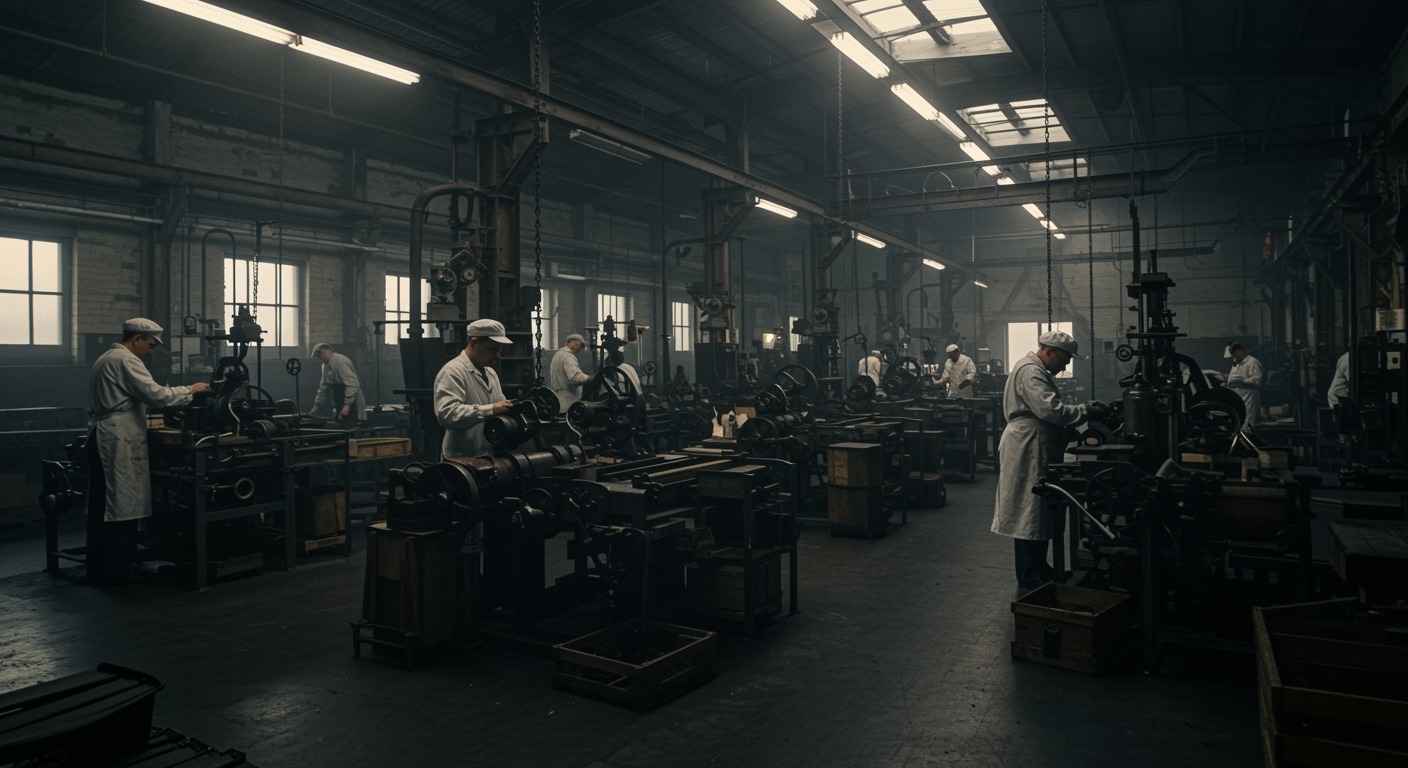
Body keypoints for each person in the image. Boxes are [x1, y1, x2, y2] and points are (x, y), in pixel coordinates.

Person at [87, 318, 211, 583]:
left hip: (106, 434)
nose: (151, 351)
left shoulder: (106, 358)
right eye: (151, 345)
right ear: (137, 339)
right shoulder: (126, 361)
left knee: (106, 503)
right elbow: (157, 395)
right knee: (120, 504)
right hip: (117, 437)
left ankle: (103, 564)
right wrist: (192, 389)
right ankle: (117, 569)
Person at [990, 330, 1105, 591]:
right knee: (1029, 508)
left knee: (1038, 510)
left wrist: (1066, 429)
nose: (1065, 366)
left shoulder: (1035, 369)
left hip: (1034, 443)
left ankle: (1040, 567)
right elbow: (1049, 410)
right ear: (1048, 351)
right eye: (1064, 360)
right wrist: (1085, 411)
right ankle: (1030, 574)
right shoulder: (1031, 371)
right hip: (1028, 445)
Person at [434, 318, 515, 459]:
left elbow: (499, 406)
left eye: (499, 350)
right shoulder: (453, 372)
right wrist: (490, 409)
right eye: (492, 349)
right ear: (475, 342)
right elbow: (447, 414)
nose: (497, 356)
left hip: (489, 456)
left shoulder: (491, 373)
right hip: (461, 458)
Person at [308, 342, 366, 422]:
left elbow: (352, 384)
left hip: (352, 400)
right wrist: (317, 406)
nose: (321, 356)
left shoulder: (340, 362)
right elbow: (324, 387)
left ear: (329, 351)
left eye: (322, 353)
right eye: (319, 355)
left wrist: (347, 406)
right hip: (339, 397)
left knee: (353, 422)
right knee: (340, 422)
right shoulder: (325, 365)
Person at [1226, 342, 1264, 428]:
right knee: (1238, 419)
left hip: (1249, 395)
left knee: (1248, 420)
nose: (1233, 357)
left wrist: (1242, 381)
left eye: (1234, 354)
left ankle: (1248, 436)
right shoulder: (1236, 363)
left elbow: (1257, 380)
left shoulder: (1252, 362)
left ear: (1239, 351)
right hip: (1237, 395)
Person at [548, 333, 591, 409]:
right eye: (579, 346)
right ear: (575, 343)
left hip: (558, 398)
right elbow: (575, 378)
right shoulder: (568, 357)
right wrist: (589, 378)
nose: (579, 349)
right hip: (568, 400)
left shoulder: (558, 355)